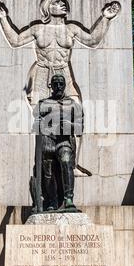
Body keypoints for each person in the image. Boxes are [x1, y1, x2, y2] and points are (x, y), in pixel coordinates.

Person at [0, 0, 121, 106]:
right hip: (42, 70)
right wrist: (2, 18)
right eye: (57, 2)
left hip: (63, 70)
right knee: (40, 111)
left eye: (63, 2)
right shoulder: (38, 28)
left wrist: (106, 18)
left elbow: (92, 41)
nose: (63, 4)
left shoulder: (71, 28)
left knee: (75, 107)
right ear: (47, 8)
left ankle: (73, 135)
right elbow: (15, 41)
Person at [32, 74, 83, 212]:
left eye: (61, 83)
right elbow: (35, 125)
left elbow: (79, 128)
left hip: (64, 140)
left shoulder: (73, 105)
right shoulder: (43, 104)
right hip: (47, 141)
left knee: (66, 162)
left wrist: (68, 124)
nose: (58, 86)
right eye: (55, 84)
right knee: (48, 173)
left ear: (65, 85)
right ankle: (52, 201)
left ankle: (68, 199)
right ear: (51, 86)